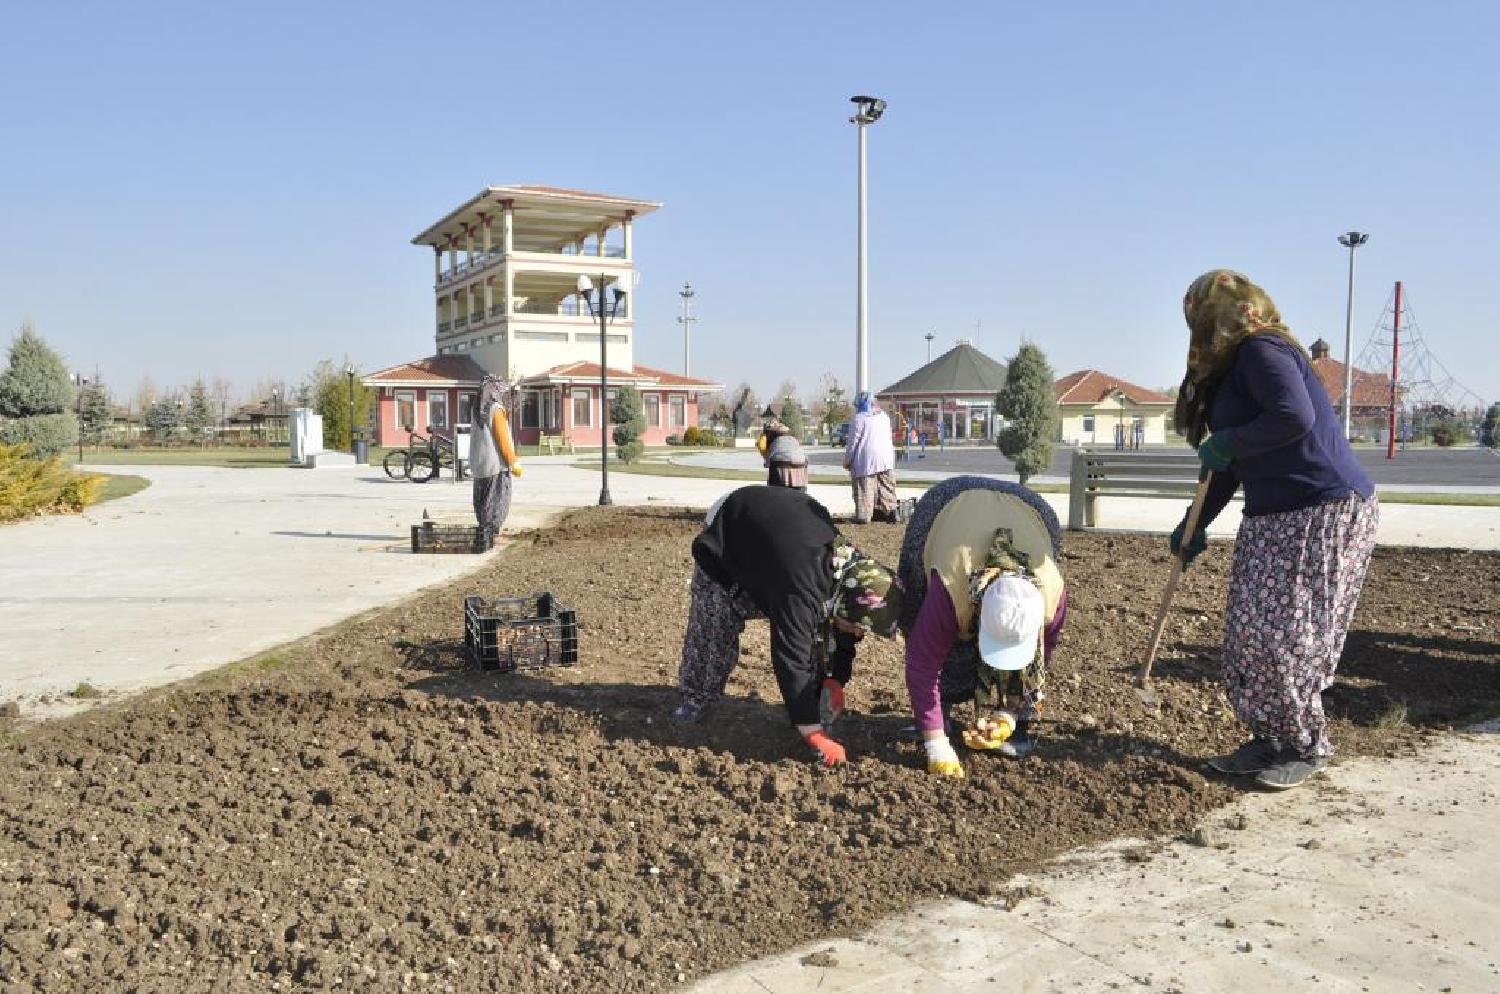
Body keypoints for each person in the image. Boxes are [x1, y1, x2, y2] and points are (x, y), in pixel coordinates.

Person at [1173, 270, 1379, 791]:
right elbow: (1227, 465)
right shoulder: (1225, 373)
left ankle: (1306, 744)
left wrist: (1231, 442)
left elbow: (1293, 415)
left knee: (1288, 634)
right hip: (1272, 516)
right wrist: (1193, 525)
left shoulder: (1263, 350)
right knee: (1249, 633)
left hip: (1321, 509)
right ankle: (1271, 737)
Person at [674, 485, 903, 766]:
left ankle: (810, 703)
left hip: (779, 534)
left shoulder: (849, 572)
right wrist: (814, 734)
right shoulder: (802, 590)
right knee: (715, 627)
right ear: (850, 604)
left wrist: (835, 679)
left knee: (823, 627)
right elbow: (790, 658)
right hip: (731, 527)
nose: (860, 633)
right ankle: (695, 700)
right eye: (861, 627)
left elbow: (845, 629)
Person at [897, 477, 1067, 776]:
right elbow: (923, 664)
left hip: (1030, 509)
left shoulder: (1052, 597)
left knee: (1020, 669)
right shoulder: (950, 589)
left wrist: (1010, 715)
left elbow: (1042, 657)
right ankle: (937, 717)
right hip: (949, 503)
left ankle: (1018, 729)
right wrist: (936, 744)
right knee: (916, 609)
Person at [469, 374, 522, 536]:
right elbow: (502, 439)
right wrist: (513, 462)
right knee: (496, 503)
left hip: (479, 466)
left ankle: (483, 532)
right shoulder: (495, 410)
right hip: (495, 466)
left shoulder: (476, 410)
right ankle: (489, 534)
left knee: (482, 503)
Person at [844, 391, 899, 523]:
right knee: (886, 486)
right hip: (886, 458)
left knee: (865, 488)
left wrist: (847, 460)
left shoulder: (859, 419)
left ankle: (864, 515)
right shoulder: (884, 416)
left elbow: (853, 443)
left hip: (866, 459)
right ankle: (891, 511)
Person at [756, 418, 808, 490]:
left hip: (780, 466)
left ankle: (774, 490)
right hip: (801, 464)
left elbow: (766, 452)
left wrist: (766, 463)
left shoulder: (775, 441)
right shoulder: (794, 439)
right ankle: (800, 491)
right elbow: (801, 452)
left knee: (774, 468)